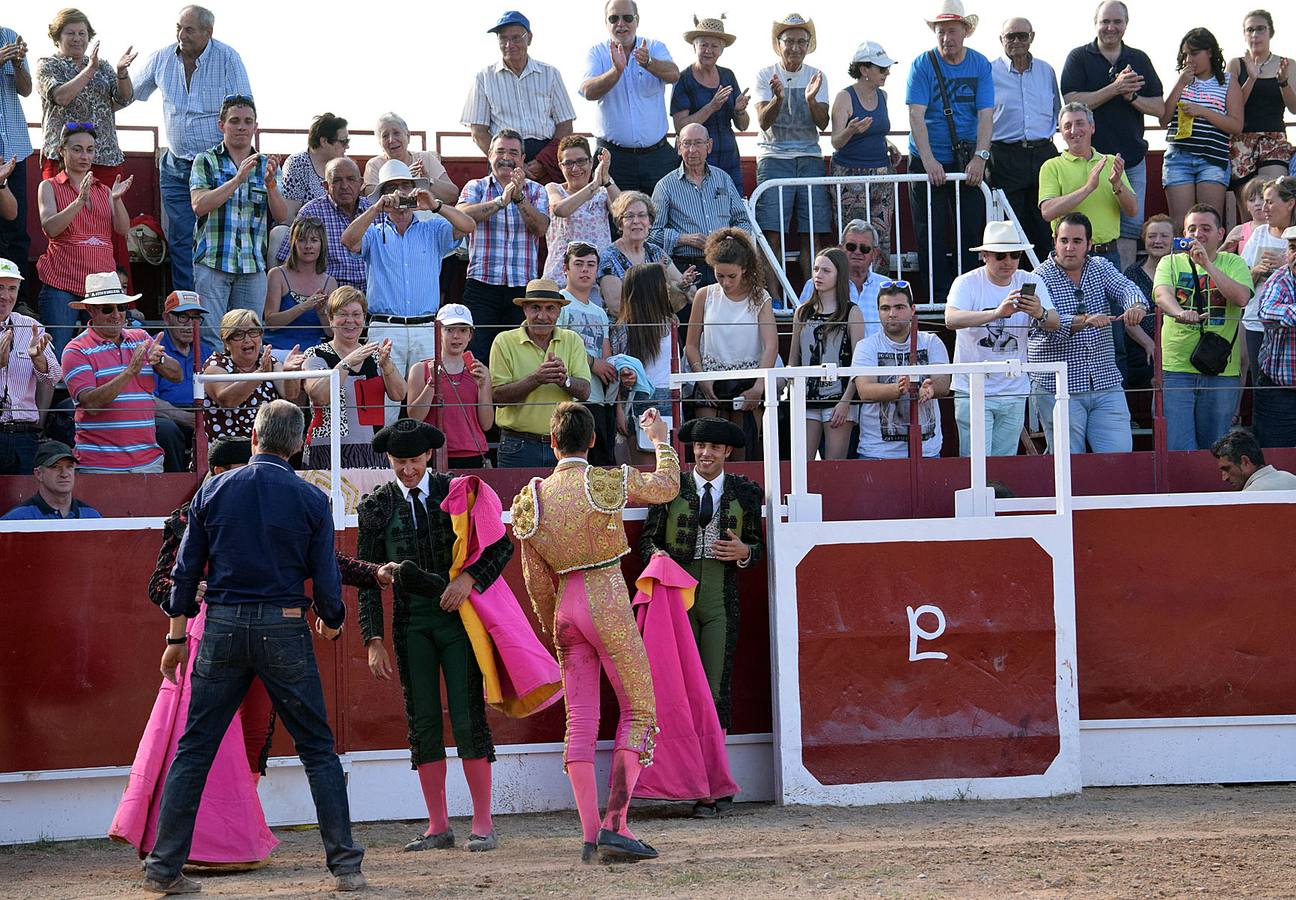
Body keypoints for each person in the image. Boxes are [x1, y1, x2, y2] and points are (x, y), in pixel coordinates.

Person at [120, 436, 392, 870]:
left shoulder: (210, 493)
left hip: (222, 626)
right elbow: (325, 570)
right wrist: (333, 618)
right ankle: (345, 866)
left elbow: (184, 571)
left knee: (194, 748)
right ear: (296, 449)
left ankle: (163, 867)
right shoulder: (310, 497)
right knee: (318, 749)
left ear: (254, 441)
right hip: (283, 625)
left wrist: (175, 638)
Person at [512, 402, 680, 862]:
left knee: (580, 720)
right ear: (591, 441)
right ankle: (617, 824)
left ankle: (591, 836)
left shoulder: (532, 498)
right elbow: (667, 486)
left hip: (565, 605)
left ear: (551, 442)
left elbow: (534, 578)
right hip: (605, 595)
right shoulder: (602, 481)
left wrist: (553, 632)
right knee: (640, 709)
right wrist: (662, 441)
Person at [357, 418, 516, 854]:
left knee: (467, 716)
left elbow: (502, 545)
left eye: (413, 460)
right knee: (423, 719)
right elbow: (368, 577)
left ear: (429, 456)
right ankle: (438, 825)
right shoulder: (376, 504)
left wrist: (468, 579)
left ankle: (482, 822)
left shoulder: (459, 490)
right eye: (398, 461)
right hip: (410, 625)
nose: (407, 469)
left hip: (459, 620)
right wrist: (372, 639)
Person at [638, 415, 761, 818]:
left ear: (727, 452)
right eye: (699, 447)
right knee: (680, 692)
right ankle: (694, 784)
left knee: (715, 690)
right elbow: (649, 540)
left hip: (722, 601)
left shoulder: (746, 492)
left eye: (712, 448)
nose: (704, 454)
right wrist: (656, 555)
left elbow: (758, 548)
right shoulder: (671, 487)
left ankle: (715, 783)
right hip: (677, 603)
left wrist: (745, 553)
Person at [342, 158, 475, 421]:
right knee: (384, 407)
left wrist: (434, 205)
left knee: (428, 406)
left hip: (425, 327)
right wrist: (376, 208)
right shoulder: (374, 231)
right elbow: (348, 240)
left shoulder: (432, 227)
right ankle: (382, 462)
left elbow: (468, 225)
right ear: (382, 195)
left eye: (405, 186)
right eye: (392, 188)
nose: (399, 194)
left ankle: (426, 462)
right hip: (385, 326)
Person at [132, 5, 252, 293]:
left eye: (189, 29)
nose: (181, 35)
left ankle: (219, 305)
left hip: (218, 166)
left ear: (208, 32)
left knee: (222, 235)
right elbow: (131, 94)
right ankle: (187, 306)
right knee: (181, 238)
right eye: (178, 28)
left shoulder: (227, 58)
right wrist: (121, 74)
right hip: (176, 165)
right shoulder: (161, 57)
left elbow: (244, 108)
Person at [1027, 212, 1148, 454]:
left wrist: (1136, 306)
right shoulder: (1038, 277)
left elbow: (1126, 288)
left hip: (1105, 381)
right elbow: (1047, 326)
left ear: (1089, 245)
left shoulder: (1100, 266)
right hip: (1058, 388)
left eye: (1077, 241)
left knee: (1120, 458)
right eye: (1064, 241)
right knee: (1067, 464)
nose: (1069, 248)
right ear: (1054, 242)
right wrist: (1083, 321)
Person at [1061, 1, 1164, 268]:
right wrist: (1115, 88)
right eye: (1105, 21)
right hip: (1091, 161)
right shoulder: (1078, 57)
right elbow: (1071, 100)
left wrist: (1131, 97)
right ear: (1095, 23)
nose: (1111, 27)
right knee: (1088, 229)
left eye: (1117, 22)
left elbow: (1159, 107)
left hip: (1132, 159)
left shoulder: (1139, 58)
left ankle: (1127, 296)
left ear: (1126, 25)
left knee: (1130, 229)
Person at [945, 221, 1060, 457]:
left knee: (1004, 464)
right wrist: (997, 313)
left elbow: (1055, 322)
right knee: (976, 465)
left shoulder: (1031, 280)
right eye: (1000, 255)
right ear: (985, 256)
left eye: (1014, 254)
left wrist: (1039, 313)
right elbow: (951, 319)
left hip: (1013, 389)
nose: (1008, 261)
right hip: (973, 389)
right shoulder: (967, 282)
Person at [35, 8, 135, 276]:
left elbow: (124, 99)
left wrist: (122, 72)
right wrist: (89, 70)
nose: (78, 38)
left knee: (112, 227)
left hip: (103, 155)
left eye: (82, 33)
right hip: (63, 157)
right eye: (70, 33)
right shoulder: (48, 64)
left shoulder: (102, 67)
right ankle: (63, 282)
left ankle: (119, 295)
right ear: (57, 37)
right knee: (66, 224)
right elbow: (60, 96)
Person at [906, 1, 994, 300]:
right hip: (927, 159)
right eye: (941, 31)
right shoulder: (922, 64)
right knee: (930, 234)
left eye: (952, 31)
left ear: (965, 31)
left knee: (971, 234)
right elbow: (916, 115)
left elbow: (985, 114)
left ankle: (969, 297)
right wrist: (929, 161)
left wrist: (980, 158)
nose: (946, 38)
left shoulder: (980, 64)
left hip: (967, 159)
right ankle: (937, 300)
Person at [189, 95, 286, 354]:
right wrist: (237, 179)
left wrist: (272, 185)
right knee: (212, 339)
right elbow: (199, 205)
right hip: (213, 261)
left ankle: (245, 392)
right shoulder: (205, 160)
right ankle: (213, 392)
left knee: (250, 339)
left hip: (252, 264)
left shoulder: (268, 164)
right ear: (222, 125)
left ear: (256, 126)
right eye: (234, 121)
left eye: (247, 121)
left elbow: (282, 215)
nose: (241, 127)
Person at [1152, 205, 1253, 451]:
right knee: (1177, 448)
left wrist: (1207, 264)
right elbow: (1161, 295)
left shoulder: (1234, 262)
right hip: (1176, 369)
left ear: (1220, 233)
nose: (1198, 234)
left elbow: (1241, 298)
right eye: (1192, 229)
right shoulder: (1169, 262)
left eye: (1205, 228)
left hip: (1220, 370)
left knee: (1217, 448)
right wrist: (1179, 313)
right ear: (1184, 233)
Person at [61, 271, 181, 473]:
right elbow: (90, 405)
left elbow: (177, 376)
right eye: (108, 309)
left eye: (122, 307)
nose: (117, 315)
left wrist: (160, 360)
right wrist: (129, 372)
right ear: (91, 310)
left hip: (148, 461)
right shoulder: (75, 350)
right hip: (99, 465)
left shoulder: (141, 336)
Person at [36, 122, 133, 357]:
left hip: (100, 288)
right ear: (62, 151)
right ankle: (53, 396)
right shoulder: (48, 186)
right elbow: (51, 228)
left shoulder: (104, 190)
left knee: (105, 353)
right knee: (54, 355)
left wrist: (117, 200)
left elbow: (123, 229)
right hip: (62, 283)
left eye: (90, 150)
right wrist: (79, 201)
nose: (84, 155)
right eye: (77, 149)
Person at [457, 129, 551, 362]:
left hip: (521, 290)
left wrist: (518, 198)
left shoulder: (536, 190)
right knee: (477, 358)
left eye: (513, 152)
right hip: (482, 286)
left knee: (518, 360)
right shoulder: (476, 186)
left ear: (522, 158)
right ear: (489, 155)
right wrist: (501, 201)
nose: (506, 157)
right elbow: (462, 218)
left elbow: (540, 228)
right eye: (500, 151)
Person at [753, 13, 831, 286]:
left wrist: (810, 99)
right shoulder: (766, 74)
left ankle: (816, 297)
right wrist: (778, 98)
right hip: (773, 159)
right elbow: (763, 121)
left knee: (813, 234)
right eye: (790, 41)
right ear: (779, 43)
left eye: (802, 41)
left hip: (809, 158)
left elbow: (823, 123)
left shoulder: (817, 76)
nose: (796, 47)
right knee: (771, 234)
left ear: (809, 44)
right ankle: (774, 301)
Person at [685, 230, 777, 458]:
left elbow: (771, 345)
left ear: (744, 269)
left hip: (747, 383)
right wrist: (702, 377)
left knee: (742, 452)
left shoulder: (760, 297)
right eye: (719, 276)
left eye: (731, 276)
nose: (725, 283)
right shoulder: (704, 295)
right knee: (705, 449)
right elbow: (691, 345)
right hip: (710, 378)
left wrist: (758, 386)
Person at [462, 11, 576, 186]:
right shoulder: (484, 77)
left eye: (516, 38)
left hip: (546, 157)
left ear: (529, 38)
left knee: (547, 211)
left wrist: (542, 162)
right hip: (504, 159)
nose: (509, 45)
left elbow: (565, 125)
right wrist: (511, 161)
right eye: (503, 39)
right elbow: (478, 132)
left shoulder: (550, 74)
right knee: (503, 211)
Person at [580, 0, 680, 194]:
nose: (621, 24)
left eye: (627, 18)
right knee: (616, 220)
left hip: (657, 157)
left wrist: (649, 62)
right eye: (614, 18)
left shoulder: (654, 47)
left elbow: (674, 74)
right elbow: (588, 91)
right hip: (613, 158)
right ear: (606, 22)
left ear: (637, 20)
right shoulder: (597, 53)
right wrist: (616, 71)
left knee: (660, 218)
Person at [490, 279, 591, 468]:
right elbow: (498, 397)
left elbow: (585, 391)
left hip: (565, 444)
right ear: (525, 309)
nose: (542, 316)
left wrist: (564, 380)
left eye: (550, 308)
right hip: (518, 446)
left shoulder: (572, 340)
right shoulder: (503, 341)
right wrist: (536, 379)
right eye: (536, 307)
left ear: (559, 312)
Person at [301, 287, 404, 470]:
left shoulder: (375, 355)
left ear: (364, 319)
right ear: (331, 319)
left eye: (356, 314)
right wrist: (346, 363)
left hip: (374, 450)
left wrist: (387, 366)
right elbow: (320, 396)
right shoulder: (315, 354)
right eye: (343, 314)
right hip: (326, 449)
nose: (350, 320)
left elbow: (399, 394)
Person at [852, 280, 951, 459]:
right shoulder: (866, 346)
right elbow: (864, 390)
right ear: (878, 311)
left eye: (899, 307)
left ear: (912, 309)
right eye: (885, 308)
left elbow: (944, 382)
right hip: (877, 452)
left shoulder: (931, 342)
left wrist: (931, 388)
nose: (892, 314)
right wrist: (898, 388)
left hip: (926, 450)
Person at [990, 18, 1062, 263]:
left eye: (1022, 35)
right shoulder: (988, 72)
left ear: (1032, 36)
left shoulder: (1047, 70)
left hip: (1043, 154)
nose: (1017, 41)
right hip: (1005, 156)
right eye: (1010, 36)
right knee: (1010, 228)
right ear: (1001, 40)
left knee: (1046, 226)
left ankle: (1045, 287)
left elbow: (1057, 111)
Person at [787, 248, 866, 460]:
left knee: (834, 466)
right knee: (801, 465)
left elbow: (858, 363)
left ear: (839, 274)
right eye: (815, 269)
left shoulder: (852, 312)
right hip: (806, 401)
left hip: (839, 400)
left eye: (826, 270)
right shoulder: (802, 311)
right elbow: (794, 358)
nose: (818, 275)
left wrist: (846, 402)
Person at [1160, 29, 1243, 230]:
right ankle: (1181, 262)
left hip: (1212, 159)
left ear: (1210, 52)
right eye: (1185, 54)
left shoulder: (1228, 81)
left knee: (1208, 224)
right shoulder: (1182, 81)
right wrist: (1180, 84)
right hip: (1178, 158)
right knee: (1181, 226)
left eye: (1194, 53)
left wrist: (1203, 111)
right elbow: (1164, 120)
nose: (1189, 59)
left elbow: (1236, 125)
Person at [650, 122, 750, 285]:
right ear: (678, 146)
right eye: (687, 143)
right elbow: (651, 234)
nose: (692, 150)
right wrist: (683, 239)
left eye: (698, 143)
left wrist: (732, 239)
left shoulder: (723, 178)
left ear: (709, 146)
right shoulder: (665, 186)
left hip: (724, 265)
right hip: (687, 269)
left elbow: (743, 221)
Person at [830, 41, 897, 263]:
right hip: (850, 175)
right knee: (853, 237)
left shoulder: (883, 96)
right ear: (864, 70)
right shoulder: (844, 97)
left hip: (882, 173)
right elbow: (836, 141)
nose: (886, 73)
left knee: (881, 235)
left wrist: (887, 143)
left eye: (887, 68)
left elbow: (874, 129)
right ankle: (848, 288)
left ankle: (879, 290)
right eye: (882, 68)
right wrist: (851, 130)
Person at [406, 304, 494, 469]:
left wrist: (483, 387)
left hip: (472, 454)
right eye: (450, 329)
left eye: (463, 330)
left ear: (470, 335)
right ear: (438, 332)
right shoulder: (420, 369)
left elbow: (487, 424)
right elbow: (414, 417)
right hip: (432, 454)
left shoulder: (479, 371)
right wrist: (432, 383)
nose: (456, 336)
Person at [610, 263, 682, 464]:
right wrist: (618, 411)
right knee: (647, 470)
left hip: (672, 396)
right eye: (664, 283)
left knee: (672, 466)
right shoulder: (624, 328)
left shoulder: (671, 322)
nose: (668, 287)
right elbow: (614, 370)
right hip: (641, 399)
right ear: (651, 289)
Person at [201, 309, 305, 444]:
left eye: (253, 332)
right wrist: (260, 374)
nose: (247, 339)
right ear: (226, 342)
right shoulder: (215, 364)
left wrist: (290, 372)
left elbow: (290, 395)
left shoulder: (270, 362)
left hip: (265, 447)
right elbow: (227, 401)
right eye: (238, 334)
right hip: (225, 449)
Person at [1226, 11, 1296, 209]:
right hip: (1241, 141)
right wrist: (1252, 78)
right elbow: (1232, 107)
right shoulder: (1236, 64)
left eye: (1260, 29)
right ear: (1244, 34)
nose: (1255, 34)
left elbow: (1294, 108)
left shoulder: (1287, 64)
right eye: (1250, 30)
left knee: (1273, 202)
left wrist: (1283, 82)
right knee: (1250, 209)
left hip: (1274, 139)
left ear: (1270, 32)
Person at [672, 15, 749, 193]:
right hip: (696, 161)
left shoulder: (728, 75)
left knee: (732, 212)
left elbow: (743, 125)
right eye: (703, 44)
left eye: (714, 46)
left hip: (729, 158)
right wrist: (711, 106)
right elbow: (679, 126)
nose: (708, 50)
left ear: (721, 50)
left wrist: (739, 111)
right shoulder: (684, 79)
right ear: (694, 46)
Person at [555, 243, 615, 465]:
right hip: (568, 397)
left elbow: (606, 356)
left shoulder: (600, 312)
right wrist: (592, 363)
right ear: (565, 269)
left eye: (591, 265)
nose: (585, 270)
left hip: (598, 399)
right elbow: (555, 348)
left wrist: (617, 368)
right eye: (578, 264)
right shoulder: (558, 303)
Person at [0, 258, 60, 474]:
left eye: (12, 288)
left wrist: (38, 360)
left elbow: (53, 377)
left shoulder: (31, 326)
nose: (5, 296)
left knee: (23, 502)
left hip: (24, 437)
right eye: (0, 288)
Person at [599, 190, 698, 317]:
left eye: (642, 215)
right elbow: (617, 307)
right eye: (629, 216)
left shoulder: (656, 252)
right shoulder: (608, 257)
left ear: (650, 223)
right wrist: (665, 289)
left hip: (660, 330)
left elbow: (691, 293)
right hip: (628, 331)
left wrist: (683, 285)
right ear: (619, 224)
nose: (636, 221)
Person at [276, 158, 370, 291]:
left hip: (373, 293)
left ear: (360, 183)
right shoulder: (311, 212)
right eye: (336, 181)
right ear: (325, 186)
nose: (344, 186)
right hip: (329, 294)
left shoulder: (375, 211)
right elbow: (287, 259)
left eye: (351, 179)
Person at [542, 137, 618, 298]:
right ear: (560, 167)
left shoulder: (603, 192)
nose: (575, 168)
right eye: (568, 163)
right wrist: (594, 184)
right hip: (560, 279)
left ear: (591, 163)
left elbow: (623, 213)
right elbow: (560, 209)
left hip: (597, 279)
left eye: (581, 161)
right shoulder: (553, 188)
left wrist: (607, 180)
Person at [1241, 177, 1296, 388]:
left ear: (1290, 203)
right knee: (1262, 387)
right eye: (1263, 202)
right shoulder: (1259, 233)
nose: (1263, 208)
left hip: (1290, 327)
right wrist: (1256, 271)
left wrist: (1288, 261)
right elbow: (1242, 278)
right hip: (1257, 321)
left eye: (1270, 202)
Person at [796, 220, 887, 336]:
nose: (857, 252)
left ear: (875, 253)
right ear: (841, 249)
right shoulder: (815, 284)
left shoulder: (885, 286)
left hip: (876, 354)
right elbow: (801, 329)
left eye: (864, 248)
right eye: (851, 247)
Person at [152, 290, 205, 473]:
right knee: (168, 431)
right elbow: (148, 399)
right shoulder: (153, 349)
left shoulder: (207, 351)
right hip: (169, 414)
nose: (190, 325)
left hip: (202, 412)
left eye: (196, 318)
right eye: (183, 317)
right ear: (167, 318)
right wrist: (183, 417)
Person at [263, 217, 335, 352]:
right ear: (293, 244)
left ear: (322, 244)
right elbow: (271, 322)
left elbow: (331, 333)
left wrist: (321, 313)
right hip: (277, 350)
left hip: (312, 353)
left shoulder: (330, 282)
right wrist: (303, 307)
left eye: (314, 240)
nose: (308, 246)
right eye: (301, 240)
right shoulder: (277, 275)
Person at [1253, 224, 1296, 446]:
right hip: (1280, 392)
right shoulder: (1281, 278)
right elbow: (1266, 312)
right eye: (1293, 248)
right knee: (1276, 456)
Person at [1123, 214, 1174, 398]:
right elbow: (1128, 320)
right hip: (1142, 344)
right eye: (1152, 236)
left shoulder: (1182, 270)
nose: (1157, 241)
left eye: (1164, 236)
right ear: (1144, 239)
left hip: (1176, 344)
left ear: (1174, 239)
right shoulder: (1132, 273)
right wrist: (1150, 345)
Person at [362, 112, 459, 205]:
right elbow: (371, 200)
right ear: (380, 143)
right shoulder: (374, 165)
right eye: (385, 136)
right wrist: (404, 177)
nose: (391, 140)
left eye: (396, 133)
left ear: (408, 137)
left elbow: (453, 195)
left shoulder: (425, 158)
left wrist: (427, 180)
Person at [0, 25, 34, 279]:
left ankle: (18, 300)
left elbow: (26, 89)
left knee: (16, 229)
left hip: (14, 149)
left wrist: (19, 65)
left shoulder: (10, 36)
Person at [1, 440, 101, 519]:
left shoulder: (91, 516)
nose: (64, 474)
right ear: (38, 474)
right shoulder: (17, 519)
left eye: (69, 466)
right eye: (55, 467)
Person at [278, 112, 348, 219]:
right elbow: (289, 215)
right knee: (279, 232)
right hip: (307, 230)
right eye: (343, 142)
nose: (347, 146)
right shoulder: (298, 164)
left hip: (339, 228)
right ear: (324, 141)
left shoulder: (345, 165)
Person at [1212, 427, 1296, 489]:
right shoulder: (1291, 478)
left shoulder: (1249, 496)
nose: (1224, 478)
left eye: (1227, 469)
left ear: (1245, 462)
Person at [1222, 174, 1268, 252]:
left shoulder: (1281, 228)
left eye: (1262, 198)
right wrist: (1224, 247)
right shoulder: (1239, 230)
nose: (1257, 203)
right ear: (1246, 206)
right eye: (1251, 200)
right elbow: (1220, 260)